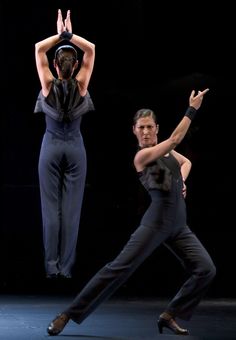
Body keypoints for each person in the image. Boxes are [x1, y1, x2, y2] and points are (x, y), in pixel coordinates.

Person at [47, 88, 216, 336]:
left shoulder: (168, 153)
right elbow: (175, 140)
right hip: (155, 223)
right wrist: (192, 109)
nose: (146, 132)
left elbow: (186, 162)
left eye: (149, 127)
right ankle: (68, 314)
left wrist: (182, 180)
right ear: (134, 131)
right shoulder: (143, 156)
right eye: (141, 128)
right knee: (117, 269)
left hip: (179, 226)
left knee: (206, 269)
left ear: (156, 128)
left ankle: (169, 314)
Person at [34, 9, 95, 279]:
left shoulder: (48, 84)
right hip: (75, 147)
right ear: (75, 65)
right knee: (72, 209)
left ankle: (51, 267)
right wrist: (71, 35)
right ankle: (66, 269)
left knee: (51, 208)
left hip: (51, 145)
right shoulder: (81, 84)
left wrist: (60, 35)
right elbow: (91, 50)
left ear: (56, 66)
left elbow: (38, 49)